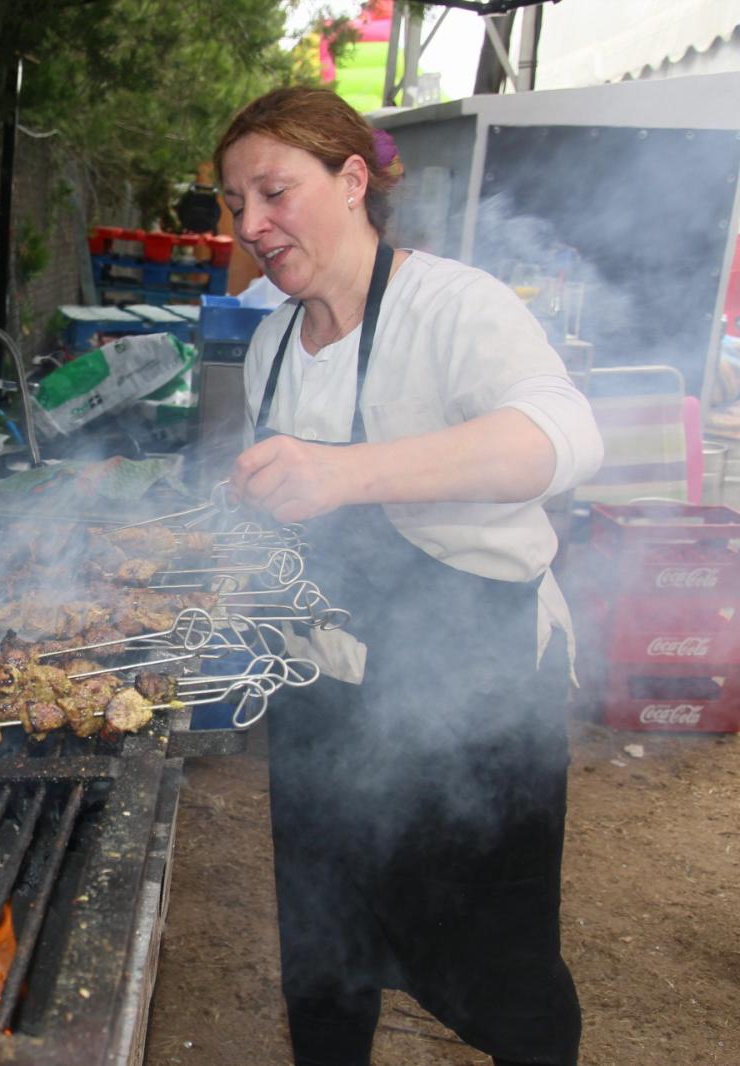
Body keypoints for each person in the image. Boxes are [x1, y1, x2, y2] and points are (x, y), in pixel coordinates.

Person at [215, 87, 603, 1066]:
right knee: (323, 960)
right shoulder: (268, 345)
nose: (250, 225)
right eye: (235, 202)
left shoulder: (450, 306)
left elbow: (562, 437)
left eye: (272, 192)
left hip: (468, 698)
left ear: (351, 180)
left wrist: (343, 472)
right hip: (320, 702)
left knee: (501, 974)